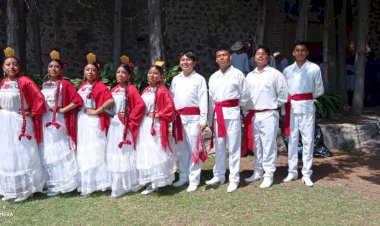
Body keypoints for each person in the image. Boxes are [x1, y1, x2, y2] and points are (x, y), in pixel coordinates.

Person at [0, 47, 46, 202]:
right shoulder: (3, 83)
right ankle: (9, 189)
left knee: (22, 153)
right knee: (7, 153)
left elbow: (39, 97)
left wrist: (32, 112)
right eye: (8, 64)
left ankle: (27, 189)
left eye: (14, 64)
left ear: (19, 67)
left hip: (20, 121)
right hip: (5, 121)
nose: (11, 67)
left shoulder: (25, 81)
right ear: (3, 68)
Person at [243, 45, 288, 189]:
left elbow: (283, 95)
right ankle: (257, 171)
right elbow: (245, 96)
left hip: (269, 114)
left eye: (263, 54)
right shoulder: (250, 76)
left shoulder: (275, 74)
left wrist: (273, 105)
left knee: (268, 145)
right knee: (257, 145)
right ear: (254, 57)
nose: (260, 56)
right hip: (254, 115)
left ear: (268, 57)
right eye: (258, 54)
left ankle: (269, 174)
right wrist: (246, 111)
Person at [39, 50, 83, 196]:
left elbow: (77, 101)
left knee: (60, 151)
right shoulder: (45, 84)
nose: (53, 69)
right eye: (51, 66)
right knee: (49, 150)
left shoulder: (65, 84)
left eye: (56, 67)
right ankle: (52, 183)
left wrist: (64, 109)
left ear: (61, 69)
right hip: (46, 119)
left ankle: (65, 183)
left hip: (58, 120)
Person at [282, 41, 324, 187]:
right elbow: (284, 90)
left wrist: (306, 97)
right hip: (292, 108)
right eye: (297, 50)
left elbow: (319, 90)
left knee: (308, 140)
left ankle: (306, 173)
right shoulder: (287, 70)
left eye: (303, 50)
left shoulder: (314, 68)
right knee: (292, 140)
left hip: (306, 107)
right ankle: (292, 171)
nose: (300, 53)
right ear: (293, 52)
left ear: (307, 52)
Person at [206, 47, 249, 192]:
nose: (222, 58)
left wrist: (234, 107)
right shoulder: (213, 77)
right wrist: (210, 119)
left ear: (230, 57)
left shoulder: (238, 75)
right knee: (219, 146)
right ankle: (218, 175)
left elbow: (244, 97)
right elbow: (211, 100)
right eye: (219, 56)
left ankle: (234, 178)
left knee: (233, 147)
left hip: (232, 113)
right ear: (216, 59)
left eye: (224, 55)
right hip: (218, 115)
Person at [106, 56, 145, 198]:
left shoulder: (132, 89)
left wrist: (129, 120)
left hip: (124, 124)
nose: (120, 75)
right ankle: (117, 183)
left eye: (123, 73)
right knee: (115, 152)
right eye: (118, 72)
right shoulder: (114, 89)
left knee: (125, 152)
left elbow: (140, 105)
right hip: (114, 124)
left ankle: (129, 183)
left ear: (129, 76)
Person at [76, 53, 114, 195]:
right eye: (87, 69)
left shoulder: (100, 86)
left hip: (94, 122)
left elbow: (110, 100)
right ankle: (86, 182)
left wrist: (98, 110)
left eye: (93, 70)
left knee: (96, 149)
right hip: (82, 120)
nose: (90, 72)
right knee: (84, 150)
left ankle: (99, 182)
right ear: (83, 72)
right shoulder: (81, 86)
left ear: (97, 72)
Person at [170, 50, 208, 192]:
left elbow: (203, 99)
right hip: (179, 118)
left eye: (188, 60)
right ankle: (183, 176)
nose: (185, 62)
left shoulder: (199, 79)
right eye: (183, 60)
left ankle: (194, 179)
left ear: (194, 62)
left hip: (194, 118)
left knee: (194, 149)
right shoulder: (176, 79)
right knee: (181, 150)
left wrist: (203, 119)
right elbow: (172, 98)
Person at [136, 63, 176, 195]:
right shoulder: (146, 89)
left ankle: (155, 182)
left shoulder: (163, 90)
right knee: (146, 151)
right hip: (145, 124)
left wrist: (158, 114)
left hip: (156, 124)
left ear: (161, 76)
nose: (151, 75)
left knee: (156, 151)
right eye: (150, 73)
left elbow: (170, 109)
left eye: (155, 73)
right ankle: (148, 179)